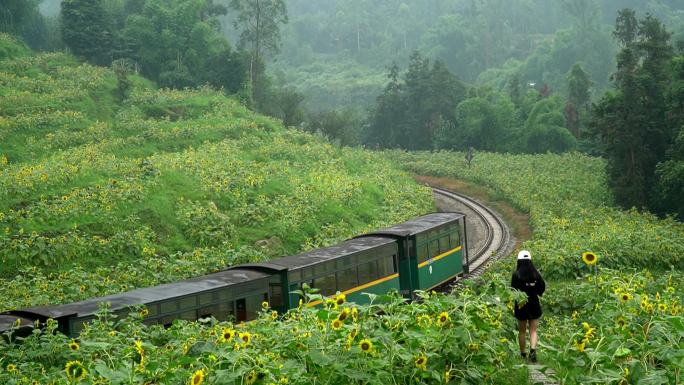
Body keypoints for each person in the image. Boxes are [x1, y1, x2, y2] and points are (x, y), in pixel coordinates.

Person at [511, 250, 545, 362]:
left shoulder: (516, 275)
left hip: (521, 304)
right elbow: (541, 289)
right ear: (530, 261)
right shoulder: (536, 274)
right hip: (534, 304)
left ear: (519, 261)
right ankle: (533, 350)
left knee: (522, 331)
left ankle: (523, 354)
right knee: (533, 330)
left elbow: (513, 290)